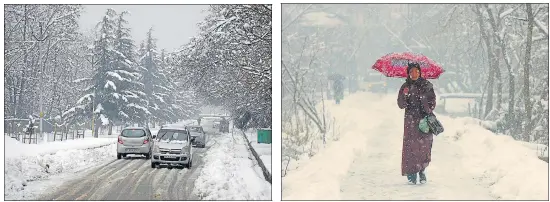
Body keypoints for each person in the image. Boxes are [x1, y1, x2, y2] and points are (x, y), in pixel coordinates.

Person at [397, 62, 437, 184]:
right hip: (410, 122)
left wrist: (422, 99)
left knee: (424, 147)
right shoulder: (405, 86)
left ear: (420, 72)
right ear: (408, 73)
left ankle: (422, 171)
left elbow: (432, 103)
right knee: (410, 148)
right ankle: (411, 173)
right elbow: (401, 104)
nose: (414, 74)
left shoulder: (427, 85)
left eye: (416, 71)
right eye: (411, 72)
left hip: (424, 121)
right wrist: (405, 95)